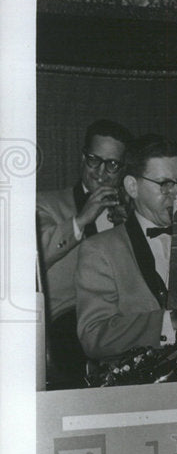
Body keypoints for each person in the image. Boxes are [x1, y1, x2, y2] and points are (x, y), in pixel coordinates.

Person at [75, 134, 177, 375]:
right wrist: (170, 322)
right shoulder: (100, 250)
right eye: (164, 184)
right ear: (132, 186)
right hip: (140, 392)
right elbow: (93, 336)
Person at [36, 118, 132, 388]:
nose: (101, 172)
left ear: (124, 169)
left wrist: (130, 231)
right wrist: (81, 221)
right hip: (67, 326)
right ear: (82, 158)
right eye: (94, 160)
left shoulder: (130, 213)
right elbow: (35, 257)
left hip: (122, 320)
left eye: (112, 164)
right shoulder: (44, 204)